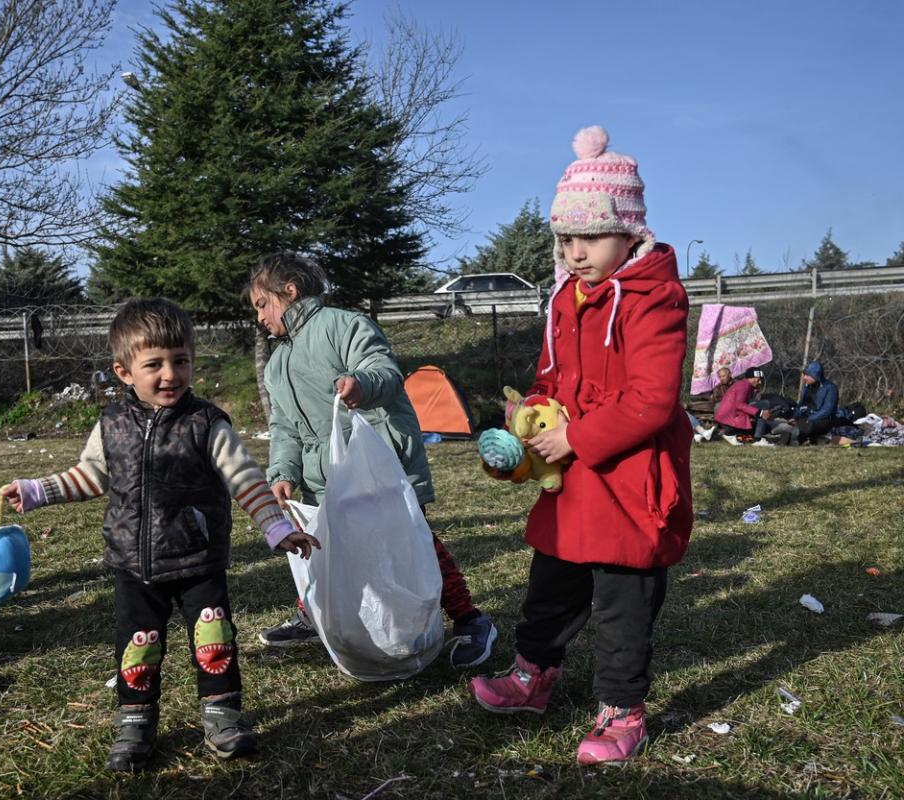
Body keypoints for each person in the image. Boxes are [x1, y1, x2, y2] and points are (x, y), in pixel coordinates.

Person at [2, 298, 319, 772]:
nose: (170, 374)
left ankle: (223, 716)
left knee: (214, 640)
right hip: (134, 564)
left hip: (198, 560)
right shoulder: (111, 425)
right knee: (139, 645)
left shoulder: (207, 423)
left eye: (181, 361)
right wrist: (36, 490)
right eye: (154, 364)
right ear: (124, 371)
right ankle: (135, 723)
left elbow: (245, 478)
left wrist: (275, 526)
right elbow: (90, 475)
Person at [468, 126, 693, 766]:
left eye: (589, 237)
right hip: (571, 480)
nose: (573, 252)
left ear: (629, 232)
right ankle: (533, 675)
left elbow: (651, 398)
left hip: (628, 479)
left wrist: (576, 437)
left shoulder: (654, 298)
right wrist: (528, 418)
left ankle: (622, 710)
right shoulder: (565, 297)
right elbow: (552, 377)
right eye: (565, 239)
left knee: (622, 602)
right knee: (552, 582)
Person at [246, 252, 496, 668]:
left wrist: (361, 383)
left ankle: (469, 619)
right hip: (325, 475)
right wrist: (283, 471)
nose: (259, 318)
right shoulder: (276, 364)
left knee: (411, 542)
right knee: (329, 547)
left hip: (377, 464)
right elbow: (285, 426)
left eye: (261, 305)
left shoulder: (344, 326)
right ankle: (311, 615)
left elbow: (383, 369)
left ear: (288, 293)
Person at [714, 369, 772, 445]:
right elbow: (739, 404)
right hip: (731, 419)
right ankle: (758, 439)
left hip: (727, 419)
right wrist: (760, 413)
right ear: (751, 378)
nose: (760, 382)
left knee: (761, 419)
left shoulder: (742, 384)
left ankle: (731, 435)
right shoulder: (744, 386)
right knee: (765, 404)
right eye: (758, 380)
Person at [791, 360, 839, 444]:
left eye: (808, 375)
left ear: (816, 375)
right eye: (805, 374)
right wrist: (795, 417)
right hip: (807, 417)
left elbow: (827, 410)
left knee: (808, 426)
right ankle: (799, 435)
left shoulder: (830, 388)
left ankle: (801, 436)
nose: (805, 377)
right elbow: (801, 404)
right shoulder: (807, 387)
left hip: (823, 420)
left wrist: (810, 419)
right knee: (792, 423)